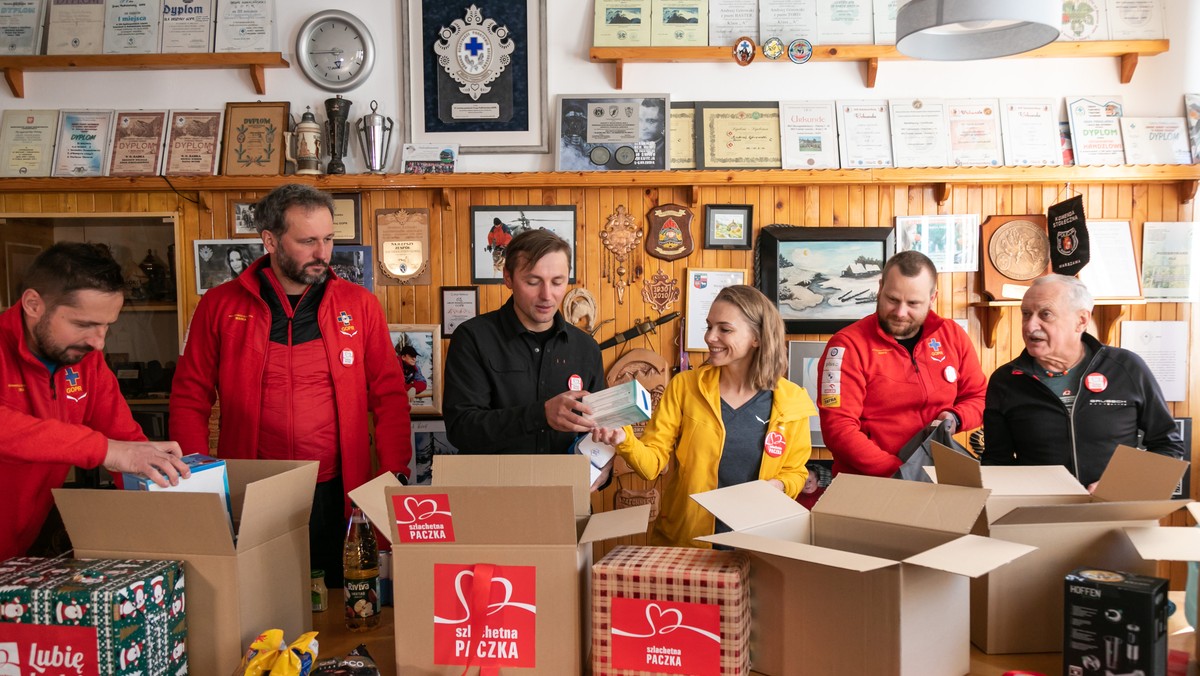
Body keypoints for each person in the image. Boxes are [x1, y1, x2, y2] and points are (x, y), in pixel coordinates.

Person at [170, 184, 412, 587]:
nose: (323, 253)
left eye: (329, 239)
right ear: (269, 240)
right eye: (307, 241)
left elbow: (388, 397)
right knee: (259, 597)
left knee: (343, 596)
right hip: (255, 488)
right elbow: (189, 397)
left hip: (337, 489)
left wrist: (394, 474)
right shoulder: (220, 305)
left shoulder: (359, 304)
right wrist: (197, 482)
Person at [0, 242, 190, 560]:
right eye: (84, 325)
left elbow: (126, 441)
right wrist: (105, 450)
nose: (98, 342)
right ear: (33, 304)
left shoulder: (85, 359)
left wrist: (164, 502)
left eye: (106, 326)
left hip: (16, 554)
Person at [592, 285, 815, 548]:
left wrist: (778, 485)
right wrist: (624, 439)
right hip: (690, 542)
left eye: (725, 329)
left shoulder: (792, 400)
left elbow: (795, 472)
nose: (710, 337)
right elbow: (651, 465)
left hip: (761, 544)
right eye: (709, 326)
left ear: (757, 337)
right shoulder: (685, 386)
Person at [981, 274, 1183, 487]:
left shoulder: (1126, 368)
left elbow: (1168, 446)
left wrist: (1123, 485)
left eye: (1045, 314)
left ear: (1081, 320)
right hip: (1042, 515)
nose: (1030, 326)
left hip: (1120, 513)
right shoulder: (1006, 381)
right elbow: (996, 463)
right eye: (1026, 314)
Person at [817, 250, 986, 477]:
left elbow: (979, 397)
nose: (900, 312)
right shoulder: (846, 346)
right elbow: (839, 429)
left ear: (933, 298)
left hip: (934, 474)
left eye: (913, 303)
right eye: (892, 299)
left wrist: (956, 417)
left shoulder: (952, 336)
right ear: (880, 288)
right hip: (869, 482)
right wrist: (902, 473)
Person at [443, 228, 604, 459]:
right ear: (508, 278)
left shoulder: (586, 347)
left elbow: (597, 429)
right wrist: (541, 415)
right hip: (492, 490)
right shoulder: (473, 338)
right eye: (533, 282)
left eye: (557, 282)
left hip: (566, 489)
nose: (547, 295)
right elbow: (461, 430)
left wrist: (604, 465)